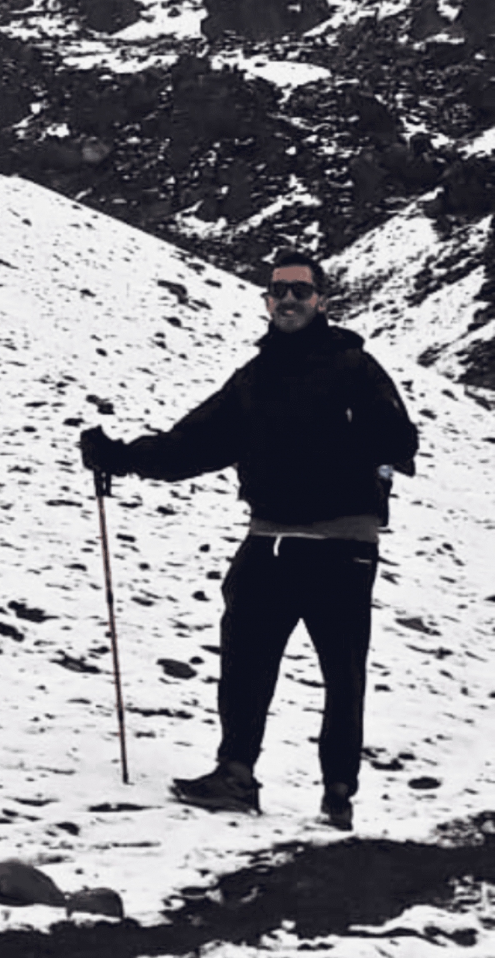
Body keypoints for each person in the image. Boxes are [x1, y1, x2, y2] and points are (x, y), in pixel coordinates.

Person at [79, 249, 418, 832]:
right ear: (267, 301)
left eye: (300, 291)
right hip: (271, 542)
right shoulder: (255, 379)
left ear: (321, 301)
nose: (288, 300)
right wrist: (122, 456)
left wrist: (345, 456)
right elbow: (195, 443)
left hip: (339, 547)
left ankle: (337, 793)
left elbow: (400, 441)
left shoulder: (354, 368)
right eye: (278, 290)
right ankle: (237, 774)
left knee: (342, 672)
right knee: (245, 662)